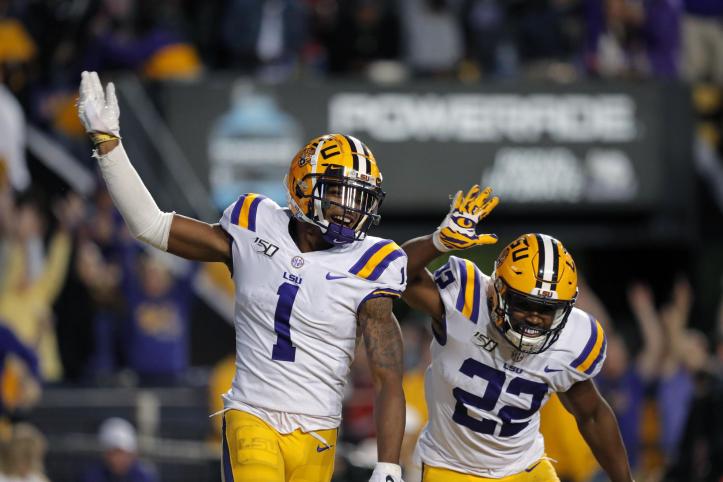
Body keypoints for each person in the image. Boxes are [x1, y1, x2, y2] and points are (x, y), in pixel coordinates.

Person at [77, 71, 407, 482]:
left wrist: (389, 464)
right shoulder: (254, 224)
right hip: (253, 416)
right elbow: (151, 225)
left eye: (360, 198)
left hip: (319, 431)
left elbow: (388, 378)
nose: (350, 209)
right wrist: (108, 144)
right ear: (304, 186)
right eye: (339, 193)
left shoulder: (374, 263)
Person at [400, 185, 634, 481]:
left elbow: (592, 414)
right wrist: (436, 243)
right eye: (524, 304)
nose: (535, 317)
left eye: (547, 309)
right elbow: (396, 274)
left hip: (526, 468)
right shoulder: (465, 300)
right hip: (451, 468)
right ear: (497, 291)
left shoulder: (573, 340)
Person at [78, 417, 158, 482]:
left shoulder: (144, 477)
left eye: (125, 453)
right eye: (115, 453)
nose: (121, 459)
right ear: (106, 454)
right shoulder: (91, 477)